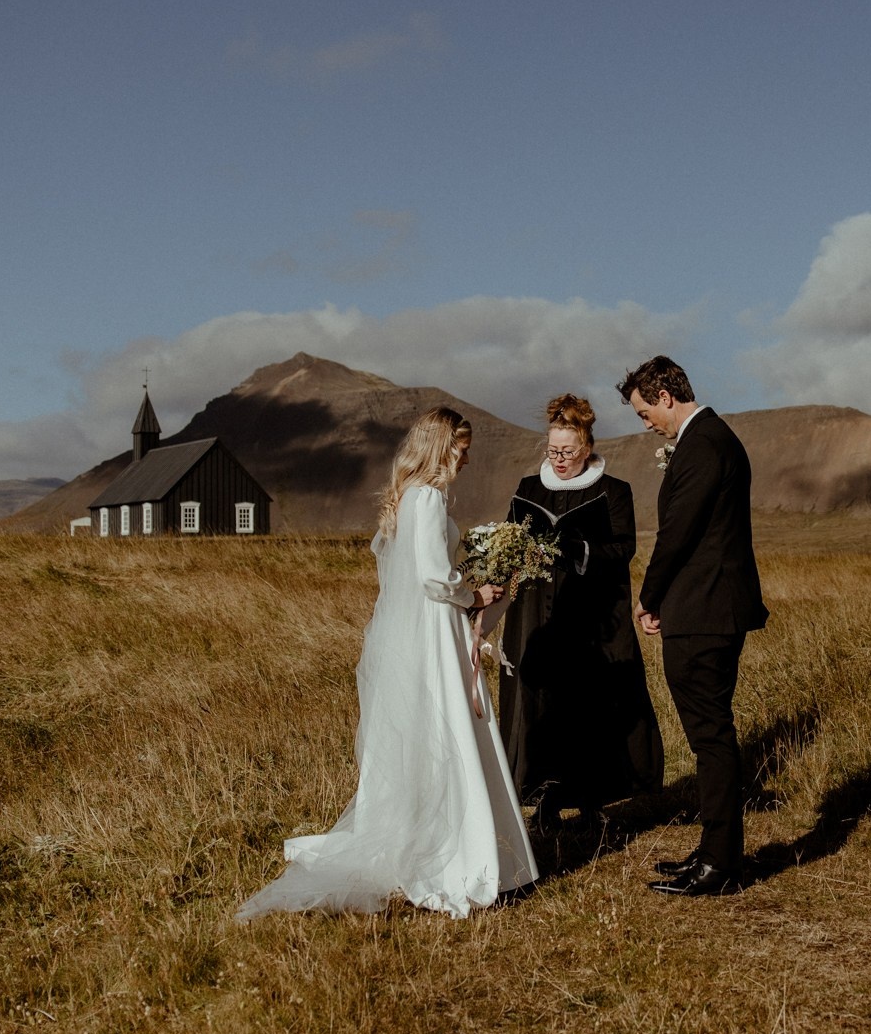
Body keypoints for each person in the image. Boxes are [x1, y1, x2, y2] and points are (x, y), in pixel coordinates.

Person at [237, 406, 538, 920]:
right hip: (435, 627)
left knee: (446, 728)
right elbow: (431, 577)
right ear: (441, 446)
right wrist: (475, 592)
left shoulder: (421, 496)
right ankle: (456, 858)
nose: (466, 458)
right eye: (461, 448)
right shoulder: (425, 497)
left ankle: (476, 846)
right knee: (447, 727)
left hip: (433, 624)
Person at [622, 355, 768, 897]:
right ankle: (714, 852)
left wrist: (649, 595)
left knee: (710, 737)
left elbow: (678, 532)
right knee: (710, 735)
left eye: (643, 413)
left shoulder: (703, 443)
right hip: (706, 607)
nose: (645, 425)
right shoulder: (709, 438)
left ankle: (721, 865)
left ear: (665, 395)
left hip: (704, 610)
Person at [497, 393, 665, 824]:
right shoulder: (529, 488)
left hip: (593, 618)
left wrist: (576, 547)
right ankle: (544, 798)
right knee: (542, 701)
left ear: (587, 447)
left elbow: (623, 548)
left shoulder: (613, 491)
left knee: (590, 704)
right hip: (537, 612)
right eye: (552, 451)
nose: (559, 459)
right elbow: (510, 542)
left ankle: (594, 799)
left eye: (567, 452)